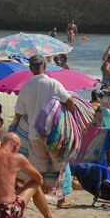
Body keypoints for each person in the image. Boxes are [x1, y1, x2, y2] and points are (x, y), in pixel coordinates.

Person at [13, 54, 77, 200]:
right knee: (60, 167)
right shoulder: (53, 84)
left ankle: (39, 195)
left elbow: (19, 113)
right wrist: (70, 118)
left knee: (38, 170)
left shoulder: (26, 88)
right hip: (54, 135)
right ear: (45, 67)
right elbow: (69, 100)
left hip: (34, 134)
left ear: (30, 69)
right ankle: (61, 199)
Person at [0, 133, 56, 218]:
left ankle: (49, 217)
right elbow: (39, 179)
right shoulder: (17, 158)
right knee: (35, 184)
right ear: (16, 147)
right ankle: (49, 216)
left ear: (2, 144)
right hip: (4, 211)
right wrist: (24, 187)